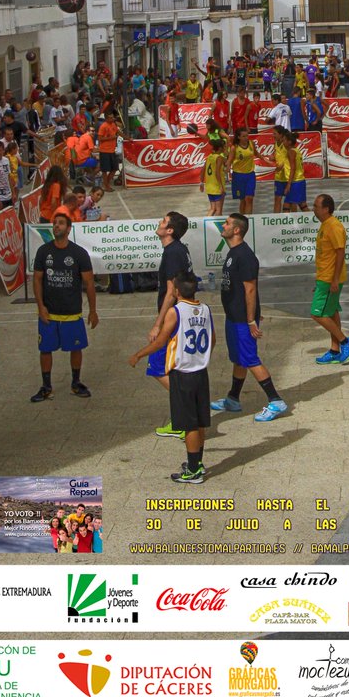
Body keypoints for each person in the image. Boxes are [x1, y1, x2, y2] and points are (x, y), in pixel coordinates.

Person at [129, 272, 215, 484]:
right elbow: (212, 341)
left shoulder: (175, 312)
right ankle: (198, 463)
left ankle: (193, 471)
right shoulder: (205, 309)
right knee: (200, 421)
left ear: (176, 291)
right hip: (201, 373)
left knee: (189, 425)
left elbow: (160, 342)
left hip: (183, 374)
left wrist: (139, 354)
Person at [211, 213, 288, 422]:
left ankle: (275, 400)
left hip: (242, 320)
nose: (223, 225)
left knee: (250, 359)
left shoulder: (245, 256)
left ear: (237, 230)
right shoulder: (232, 253)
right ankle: (233, 399)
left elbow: (251, 290)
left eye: (227, 223)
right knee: (238, 359)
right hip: (233, 316)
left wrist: (251, 319)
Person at [30, 211, 97, 402]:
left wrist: (93, 311)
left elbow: (90, 283)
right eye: (54, 223)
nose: (56, 226)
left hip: (72, 311)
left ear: (68, 229)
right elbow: (37, 280)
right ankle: (46, 386)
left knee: (76, 349)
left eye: (60, 223)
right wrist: (40, 306)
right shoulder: (44, 252)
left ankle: (76, 383)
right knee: (45, 349)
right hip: (48, 312)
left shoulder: (78, 254)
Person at [146, 212, 193, 439]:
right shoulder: (177, 250)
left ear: (170, 230)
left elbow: (170, 293)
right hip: (179, 316)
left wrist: (158, 324)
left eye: (163, 221)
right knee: (172, 367)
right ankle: (181, 419)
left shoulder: (173, 252)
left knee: (156, 365)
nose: (159, 223)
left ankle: (186, 414)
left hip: (173, 318)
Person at [311, 194, 349, 364]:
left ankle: (345, 341)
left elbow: (340, 253)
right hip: (324, 278)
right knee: (331, 312)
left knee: (317, 314)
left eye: (316, 206)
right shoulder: (325, 225)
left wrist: (334, 279)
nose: (313, 209)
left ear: (326, 209)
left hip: (330, 279)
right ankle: (334, 349)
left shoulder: (334, 227)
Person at [228, 128, 256, 215]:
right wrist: (228, 171)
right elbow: (230, 160)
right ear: (239, 137)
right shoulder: (234, 147)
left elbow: (257, 154)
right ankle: (242, 218)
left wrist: (268, 161)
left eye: (247, 135)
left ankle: (249, 219)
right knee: (243, 199)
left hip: (250, 174)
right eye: (243, 136)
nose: (246, 138)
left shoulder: (251, 144)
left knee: (249, 198)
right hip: (238, 175)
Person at [200, 138, 226, 215]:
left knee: (212, 209)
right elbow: (217, 172)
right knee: (219, 210)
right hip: (217, 186)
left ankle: (206, 225)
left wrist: (201, 183)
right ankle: (219, 227)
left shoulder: (209, 157)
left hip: (209, 186)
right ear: (220, 148)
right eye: (224, 147)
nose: (225, 148)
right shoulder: (219, 158)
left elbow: (202, 170)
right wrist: (221, 186)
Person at [97, 110, 119, 191]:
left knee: (114, 169)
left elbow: (118, 132)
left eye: (112, 117)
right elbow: (99, 138)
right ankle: (106, 186)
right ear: (106, 119)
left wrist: (128, 138)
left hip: (112, 150)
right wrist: (111, 138)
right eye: (110, 118)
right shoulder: (103, 126)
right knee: (104, 170)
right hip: (104, 151)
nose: (112, 119)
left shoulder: (113, 124)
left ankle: (106, 184)